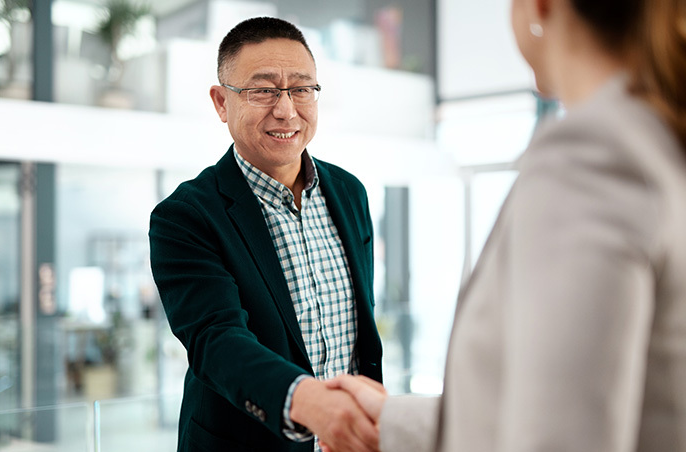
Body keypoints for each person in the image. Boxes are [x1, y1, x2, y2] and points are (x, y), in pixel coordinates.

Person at [326, 0, 686, 450]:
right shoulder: (658, 142)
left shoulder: (593, 158)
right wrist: (391, 420)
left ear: (541, 6)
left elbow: (561, 439)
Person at [148, 16, 383, 452]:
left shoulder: (350, 193)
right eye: (263, 90)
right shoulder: (185, 215)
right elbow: (216, 341)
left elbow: (358, 330)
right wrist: (308, 403)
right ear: (221, 103)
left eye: (300, 88)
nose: (286, 109)